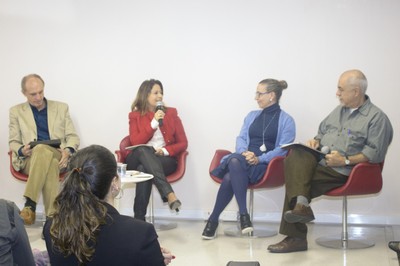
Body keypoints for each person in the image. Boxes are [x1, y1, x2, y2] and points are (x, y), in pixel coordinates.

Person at [267, 69, 393, 253]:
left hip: (347, 171)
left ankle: (297, 237)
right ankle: (301, 206)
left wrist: (345, 160)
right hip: (322, 162)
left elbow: (375, 153)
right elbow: (321, 132)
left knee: (297, 180)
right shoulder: (338, 111)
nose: (337, 93)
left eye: (341, 89)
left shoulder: (377, 118)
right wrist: (315, 141)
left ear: (356, 91)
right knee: (296, 154)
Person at [43, 145, 174, 265]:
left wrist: (150, 254)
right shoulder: (141, 233)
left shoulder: (52, 227)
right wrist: (152, 256)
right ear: (115, 183)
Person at [202, 79, 296, 240]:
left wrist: (258, 159)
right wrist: (244, 153)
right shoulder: (252, 116)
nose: (256, 97)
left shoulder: (287, 120)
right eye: (256, 93)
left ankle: (214, 219)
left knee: (231, 172)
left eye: (260, 93)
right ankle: (244, 217)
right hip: (243, 159)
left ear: (272, 95)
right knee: (235, 162)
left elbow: (282, 150)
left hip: (265, 166)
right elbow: (241, 138)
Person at [9, 74, 80, 225]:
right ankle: (52, 222)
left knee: (42, 149)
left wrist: (67, 151)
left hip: (59, 154)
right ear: (24, 93)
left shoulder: (61, 108)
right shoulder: (16, 111)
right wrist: (22, 150)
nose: (38, 97)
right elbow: (13, 141)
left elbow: (73, 137)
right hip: (30, 159)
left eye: (41, 92)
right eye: (33, 94)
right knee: (46, 156)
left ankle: (30, 204)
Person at [125, 79, 188, 221]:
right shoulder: (135, 115)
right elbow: (135, 142)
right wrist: (153, 123)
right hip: (137, 156)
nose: (160, 96)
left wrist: (165, 151)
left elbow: (183, 143)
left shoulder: (171, 113)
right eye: (156, 93)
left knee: (144, 168)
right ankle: (169, 194)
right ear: (145, 95)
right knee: (142, 150)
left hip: (164, 159)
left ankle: (139, 221)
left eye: (161, 93)